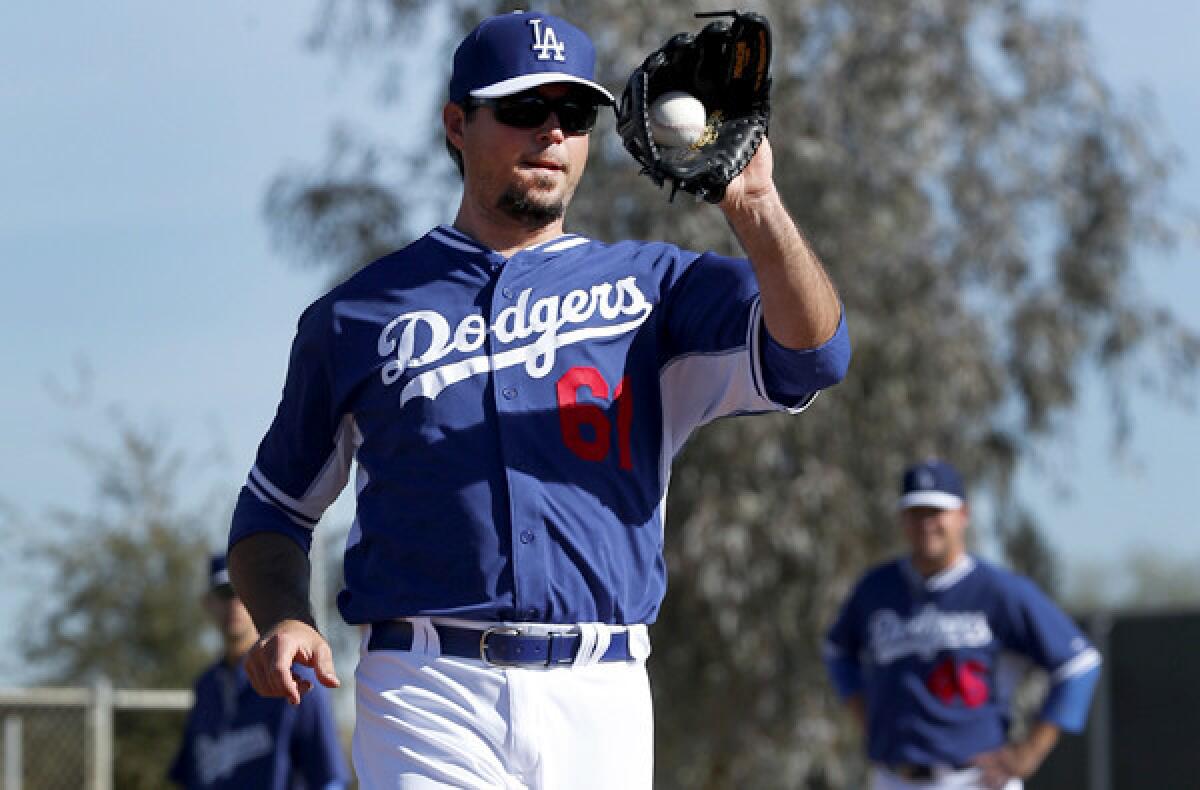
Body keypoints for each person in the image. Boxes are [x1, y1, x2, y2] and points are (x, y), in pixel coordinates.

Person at [227, 10, 850, 789]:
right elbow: (271, 514)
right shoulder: (358, 316)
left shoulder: (655, 289)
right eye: (523, 109)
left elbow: (815, 353)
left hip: (603, 690)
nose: (551, 132)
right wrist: (286, 614)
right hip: (428, 687)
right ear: (457, 124)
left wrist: (755, 207)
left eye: (574, 113)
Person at [823, 459, 1103, 790]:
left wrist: (1031, 752)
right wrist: (865, 715)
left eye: (936, 512)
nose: (926, 524)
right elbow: (837, 651)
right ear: (902, 519)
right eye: (916, 513)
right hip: (893, 777)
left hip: (974, 779)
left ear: (963, 515)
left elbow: (1079, 664)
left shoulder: (998, 590)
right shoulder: (877, 588)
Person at [168, 554, 349, 790]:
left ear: (260, 598)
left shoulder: (297, 677)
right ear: (208, 602)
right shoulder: (206, 687)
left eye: (243, 593)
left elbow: (329, 779)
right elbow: (190, 775)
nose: (235, 604)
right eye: (225, 594)